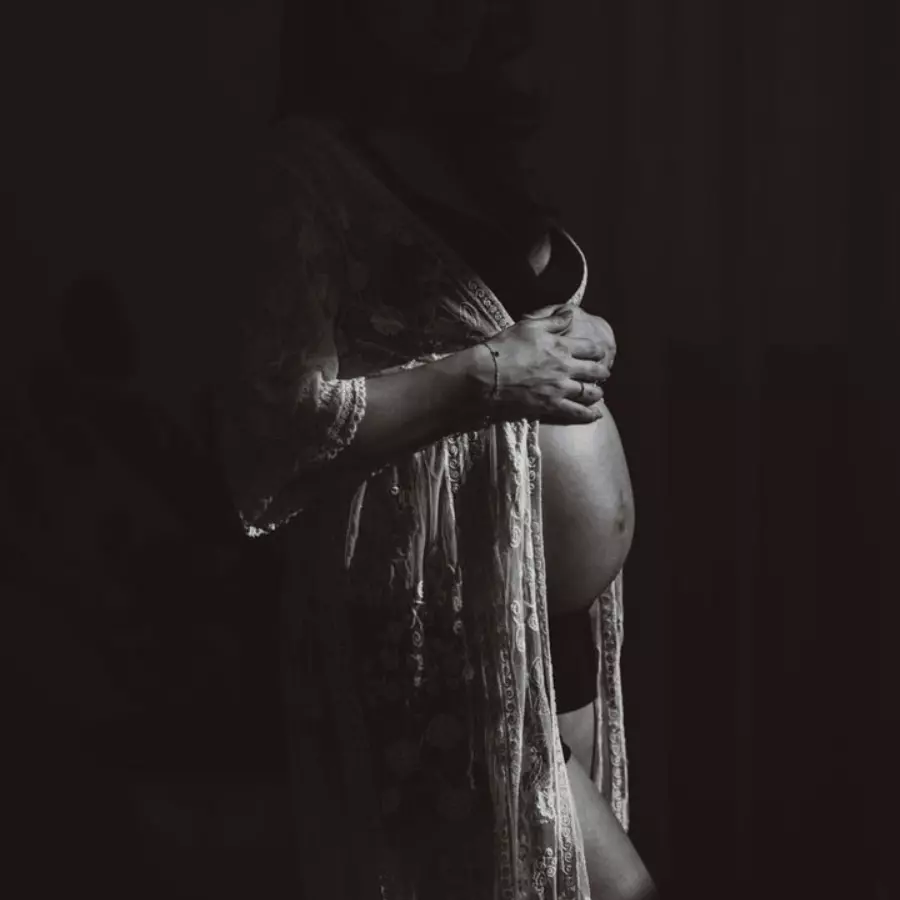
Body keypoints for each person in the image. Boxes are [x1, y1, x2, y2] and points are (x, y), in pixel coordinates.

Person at [216, 0, 657, 897]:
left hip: (550, 622)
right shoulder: (307, 168)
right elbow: (275, 416)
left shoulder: (471, 145)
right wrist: (487, 377)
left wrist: (585, 335)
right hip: (444, 619)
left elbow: (498, 319)